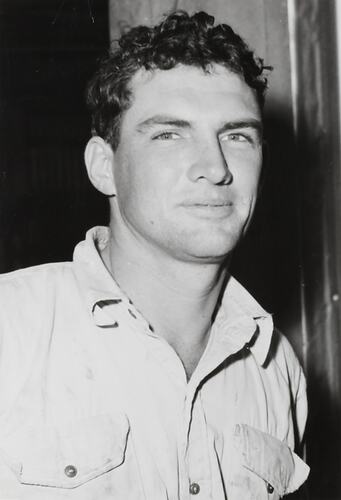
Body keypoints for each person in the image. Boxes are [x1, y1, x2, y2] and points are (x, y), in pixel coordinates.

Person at [0, 10, 309, 500]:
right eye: (169, 134)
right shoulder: (12, 332)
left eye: (236, 136)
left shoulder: (275, 368)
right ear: (104, 168)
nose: (215, 168)